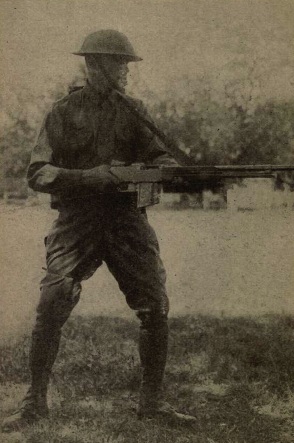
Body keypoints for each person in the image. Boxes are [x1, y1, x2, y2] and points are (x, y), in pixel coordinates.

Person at [2, 29, 196, 432]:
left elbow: (159, 155)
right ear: (93, 65)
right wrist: (92, 178)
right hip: (77, 223)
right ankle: (34, 404)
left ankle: (152, 403)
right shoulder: (62, 111)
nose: (126, 71)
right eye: (118, 63)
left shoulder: (136, 110)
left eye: (126, 64)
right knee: (52, 304)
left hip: (128, 222)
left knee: (155, 307)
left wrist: (167, 170)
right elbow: (38, 172)